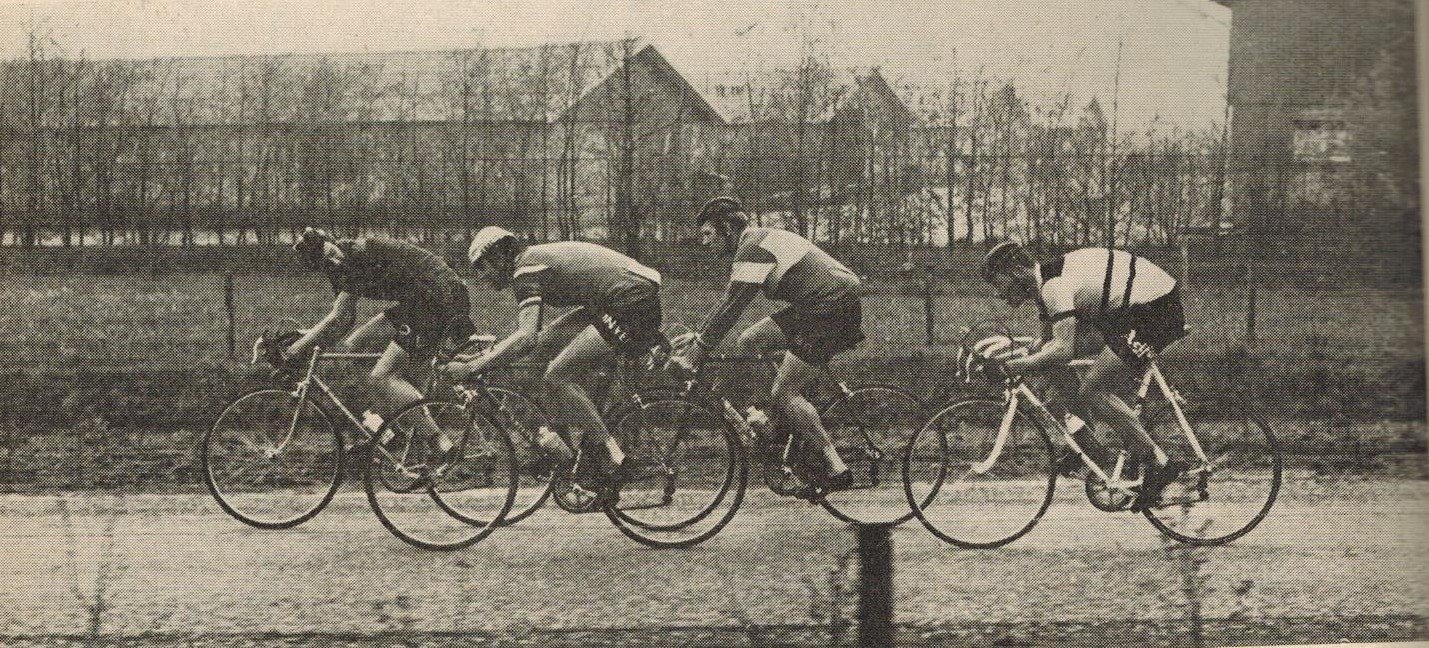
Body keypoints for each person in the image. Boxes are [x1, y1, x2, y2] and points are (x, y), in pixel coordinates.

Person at [441, 226, 667, 499]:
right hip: (618, 298)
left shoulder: (525, 271)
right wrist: (485, 357)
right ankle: (567, 455)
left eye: (482, 266)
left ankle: (613, 458)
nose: (481, 276)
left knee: (558, 375)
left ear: (499, 257)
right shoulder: (530, 262)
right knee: (545, 349)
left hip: (630, 300)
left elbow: (525, 337)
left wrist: (471, 368)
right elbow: (535, 341)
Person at [668, 197, 863, 496]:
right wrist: (698, 338)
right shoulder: (754, 242)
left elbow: (733, 306)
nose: (705, 243)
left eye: (708, 234)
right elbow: (728, 304)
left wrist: (699, 349)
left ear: (728, 230)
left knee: (784, 391)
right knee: (750, 340)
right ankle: (782, 419)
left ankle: (835, 465)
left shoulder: (752, 247)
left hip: (830, 309)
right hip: (817, 305)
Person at [979, 240, 1189, 511]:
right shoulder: (1045, 290)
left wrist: (1013, 367)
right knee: (1050, 366)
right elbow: (1045, 345)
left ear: (1017, 272)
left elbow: (1063, 350)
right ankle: (1089, 444)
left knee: (1093, 388)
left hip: (1156, 311)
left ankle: (1159, 464)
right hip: (1129, 311)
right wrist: (1011, 354)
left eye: (999, 284)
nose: (1000, 295)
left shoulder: (1053, 287)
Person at [284, 227, 476, 465]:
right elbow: (343, 322)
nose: (331, 259)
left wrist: (295, 350)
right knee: (355, 345)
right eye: (323, 261)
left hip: (439, 299)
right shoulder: (340, 267)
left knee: (382, 376)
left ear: (332, 242)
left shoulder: (356, 254)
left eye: (329, 251)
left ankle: (440, 443)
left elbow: (337, 318)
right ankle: (396, 431)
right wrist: (308, 339)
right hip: (420, 300)